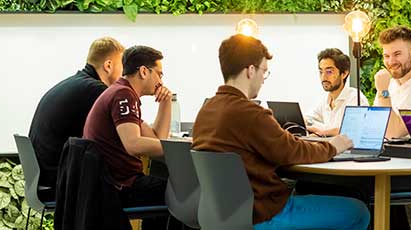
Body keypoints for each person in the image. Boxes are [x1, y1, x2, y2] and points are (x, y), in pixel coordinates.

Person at [191, 34, 370, 230]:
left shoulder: (206, 111)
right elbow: (293, 151)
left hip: (224, 215)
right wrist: (333, 147)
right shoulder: (250, 114)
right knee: (357, 212)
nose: (263, 79)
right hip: (265, 214)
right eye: (264, 71)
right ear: (251, 70)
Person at [82, 45, 174, 229]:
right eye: (160, 74)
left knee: (170, 189)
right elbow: (133, 144)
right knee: (181, 193)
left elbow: (157, 138)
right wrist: (179, 149)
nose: (161, 81)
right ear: (143, 71)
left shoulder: (120, 91)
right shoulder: (123, 95)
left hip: (112, 183)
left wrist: (166, 102)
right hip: (118, 187)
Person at [28, 37, 124, 200]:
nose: (125, 74)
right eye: (123, 66)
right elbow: (122, 136)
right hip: (59, 180)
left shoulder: (77, 84)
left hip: (44, 177)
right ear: (108, 66)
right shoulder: (95, 90)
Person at [305, 48, 368, 137]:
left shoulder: (355, 98)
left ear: (344, 73)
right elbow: (308, 119)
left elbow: (351, 130)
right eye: (321, 72)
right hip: (330, 149)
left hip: (347, 150)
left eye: (329, 72)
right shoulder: (326, 100)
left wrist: (320, 132)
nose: (323, 77)